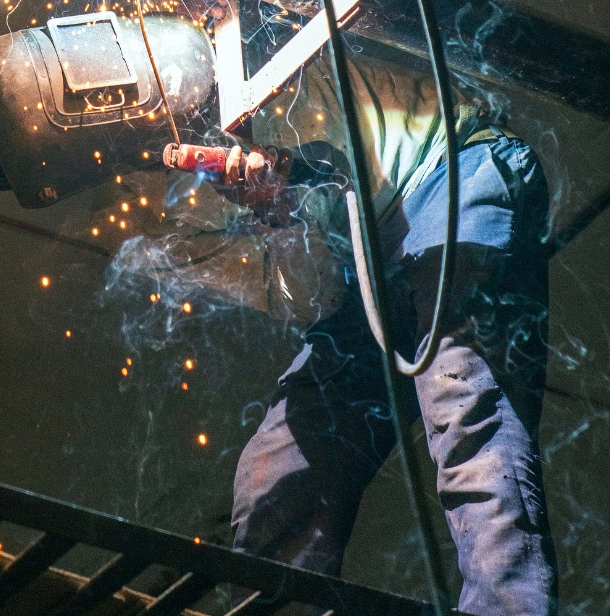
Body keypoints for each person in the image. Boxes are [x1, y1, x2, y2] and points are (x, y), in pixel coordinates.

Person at [221, 50, 558, 616]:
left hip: (453, 166)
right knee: (283, 460)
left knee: (462, 397)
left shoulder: (247, 22)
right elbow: (316, 300)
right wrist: (275, 210)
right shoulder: (215, 153)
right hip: (368, 252)